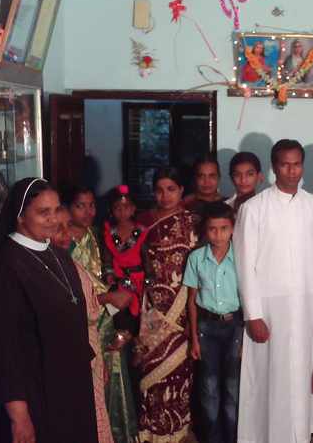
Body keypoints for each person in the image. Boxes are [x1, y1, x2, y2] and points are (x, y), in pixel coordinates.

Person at [233, 139, 313, 442]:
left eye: (297, 164)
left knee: (302, 374)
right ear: (274, 167)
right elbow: (245, 265)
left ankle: (300, 435)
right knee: (270, 378)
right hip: (268, 310)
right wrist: (253, 315)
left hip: (306, 307)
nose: (292, 170)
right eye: (285, 164)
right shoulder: (253, 209)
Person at [0, 178, 98, 443]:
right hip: (37, 391)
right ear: (20, 216)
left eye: (56, 209)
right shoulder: (6, 265)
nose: (53, 219)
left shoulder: (58, 255)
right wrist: (18, 415)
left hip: (72, 385)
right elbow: (5, 347)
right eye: (43, 212)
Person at [64, 185, 139, 443]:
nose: (88, 212)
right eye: (80, 206)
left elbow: (112, 277)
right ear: (67, 209)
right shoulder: (61, 243)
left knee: (115, 379)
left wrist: (123, 320)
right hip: (79, 327)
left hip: (108, 321)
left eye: (92, 205)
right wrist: (107, 298)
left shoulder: (98, 236)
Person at [136, 167, 198, 443]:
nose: (165, 196)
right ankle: (151, 431)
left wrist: (186, 308)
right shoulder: (143, 223)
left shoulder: (193, 222)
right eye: (159, 190)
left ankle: (175, 431)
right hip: (151, 308)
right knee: (151, 370)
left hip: (183, 307)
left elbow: (198, 266)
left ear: (181, 190)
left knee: (178, 373)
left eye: (171, 189)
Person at [52, 205, 117, 443]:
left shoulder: (72, 265)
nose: (65, 234)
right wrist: (108, 299)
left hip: (89, 351)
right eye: (57, 228)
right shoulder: (44, 269)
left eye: (67, 226)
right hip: (67, 360)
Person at [183, 202, 242, 443]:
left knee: (233, 388)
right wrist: (194, 338)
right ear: (205, 231)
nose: (218, 235)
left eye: (224, 228)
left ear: (233, 229)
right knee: (209, 389)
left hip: (234, 327)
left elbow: (248, 297)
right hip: (207, 328)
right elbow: (191, 301)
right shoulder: (196, 258)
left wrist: (244, 337)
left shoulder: (241, 258)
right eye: (212, 229)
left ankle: (233, 438)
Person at [102, 184, 148, 349]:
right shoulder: (109, 232)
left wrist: (150, 275)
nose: (122, 212)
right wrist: (108, 272)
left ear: (133, 209)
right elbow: (107, 256)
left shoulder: (140, 231)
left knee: (139, 311)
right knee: (117, 306)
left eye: (126, 207)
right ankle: (122, 333)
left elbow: (145, 256)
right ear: (111, 210)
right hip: (119, 277)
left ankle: (136, 341)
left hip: (138, 278)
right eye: (118, 208)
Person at [184, 154, 225, 228]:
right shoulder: (184, 206)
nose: (206, 181)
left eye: (212, 176)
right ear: (195, 178)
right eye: (201, 176)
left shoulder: (227, 205)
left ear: (219, 177)